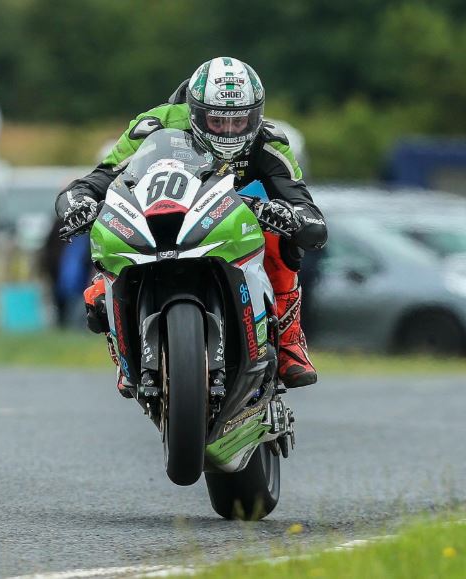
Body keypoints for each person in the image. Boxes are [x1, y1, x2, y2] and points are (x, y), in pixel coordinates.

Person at [55, 56, 327, 392]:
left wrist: (292, 216)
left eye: (240, 122)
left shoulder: (270, 141)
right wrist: (77, 203)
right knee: (98, 281)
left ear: (256, 115)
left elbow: (307, 210)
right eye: (217, 121)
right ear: (195, 112)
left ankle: (288, 342)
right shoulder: (154, 125)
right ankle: (124, 351)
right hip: (164, 215)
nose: (229, 130)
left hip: (227, 216)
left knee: (280, 240)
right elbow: (97, 179)